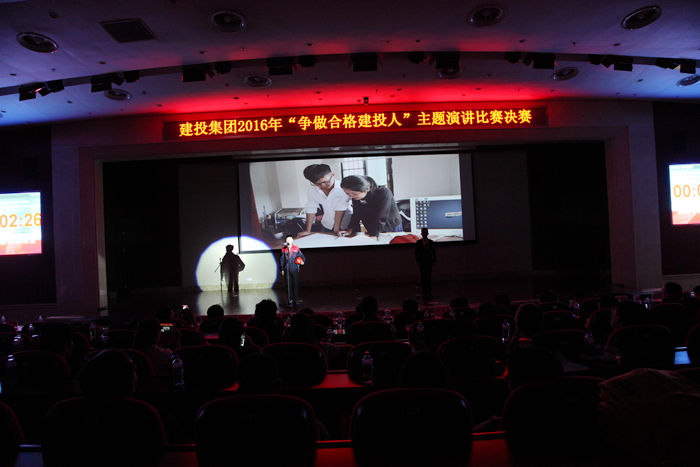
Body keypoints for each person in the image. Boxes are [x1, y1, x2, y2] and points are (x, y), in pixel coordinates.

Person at [297, 164, 353, 237]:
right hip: (327, 224)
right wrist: (308, 230)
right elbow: (311, 208)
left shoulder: (343, 188)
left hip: (347, 224)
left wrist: (336, 230)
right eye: (318, 184)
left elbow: (340, 209)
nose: (323, 185)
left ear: (333, 175)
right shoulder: (312, 190)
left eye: (326, 182)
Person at [279, 234, 305, 306]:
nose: (288, 241)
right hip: (287, 269)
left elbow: (301, 256)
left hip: (294, 269)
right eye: (287, 240)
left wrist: (302, 261)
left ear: (292, 240)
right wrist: (282, 269)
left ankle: (295, 299)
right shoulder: (284, 249)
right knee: (288, 285)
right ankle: (289, 299)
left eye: (290, 239)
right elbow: (281, 260)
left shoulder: (296, 248)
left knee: (295, 284)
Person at [415, 227, 437, 300]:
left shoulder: (431, 242)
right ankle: (424, 292)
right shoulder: (418, 242)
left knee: (429, 277)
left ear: (427, 233)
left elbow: (433, 252)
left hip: (429, 262)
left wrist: (434, 261)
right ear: (421, 233)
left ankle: (429, 292)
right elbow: (416, 253)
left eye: (425, 232)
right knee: (423, 277)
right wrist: (418, 261)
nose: (424, 234)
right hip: (422, 262)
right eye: (423, 232)